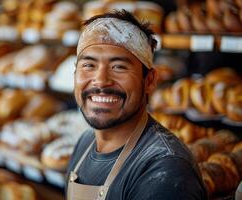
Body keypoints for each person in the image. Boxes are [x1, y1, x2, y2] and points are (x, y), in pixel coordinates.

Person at [66, 10, 207, 200]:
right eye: (88, 65)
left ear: (149, 81)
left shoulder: (166, 170)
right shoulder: (84, 143)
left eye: (119, 67)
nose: (100, 81)